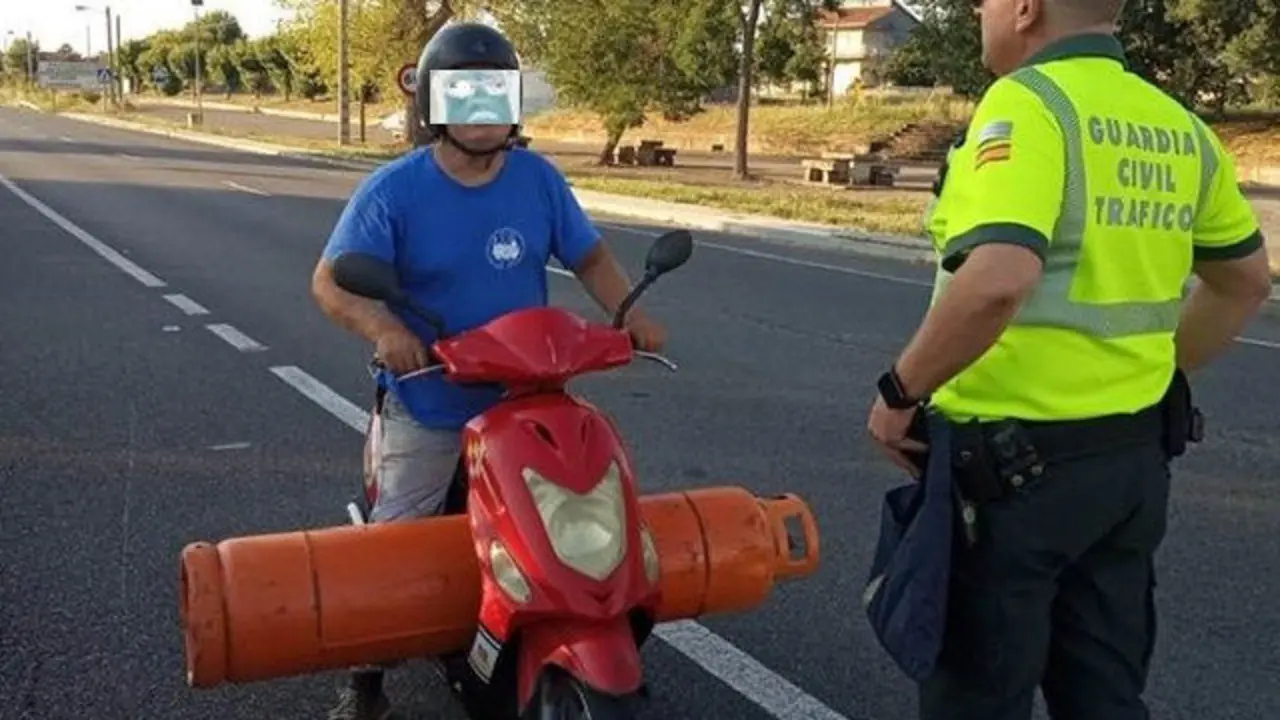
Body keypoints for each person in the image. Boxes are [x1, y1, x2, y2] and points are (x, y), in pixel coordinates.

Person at [864, 0, 1273, 718]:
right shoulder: (1177, 126)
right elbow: (1244, 280)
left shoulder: (1027, 106)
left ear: (1025, 8)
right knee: (1104, 697)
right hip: (1131, 467)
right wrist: (1151, 368)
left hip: (1011, 478)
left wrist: (899, 392)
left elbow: (997, 277)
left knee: (978, 699)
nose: (976, 12)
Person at [310, 22, 666, 720]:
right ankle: (364, 683)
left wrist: (626, 310)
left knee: (580, 510)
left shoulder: (538, 179)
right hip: (433, 396)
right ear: (435, 106)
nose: (481, 112)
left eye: (493, 95)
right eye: (464, 95)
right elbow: (330, 282)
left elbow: (587, 256)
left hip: (529, 394)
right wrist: (385, 330)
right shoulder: (394, 191)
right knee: (395, 545)